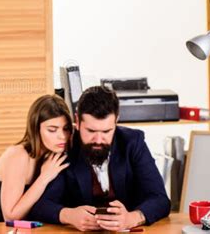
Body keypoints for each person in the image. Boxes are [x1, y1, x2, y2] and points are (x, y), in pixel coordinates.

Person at [29, 86, 170, 232]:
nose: (98, 140)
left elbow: (160, 199)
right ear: (77, 121)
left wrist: (132, 218)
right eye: (90, 131)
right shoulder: (64, 145)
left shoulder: (133, 142)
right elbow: (40, 205)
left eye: (106, 131)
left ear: (116, 121)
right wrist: (68, 215)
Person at [0, 94, 73, 223]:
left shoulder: (53, 155)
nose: (62, 136)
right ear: (36, 129)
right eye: (52, 130)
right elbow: (11, 216)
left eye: (66, 129)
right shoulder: (18, 155)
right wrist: (45, 177)